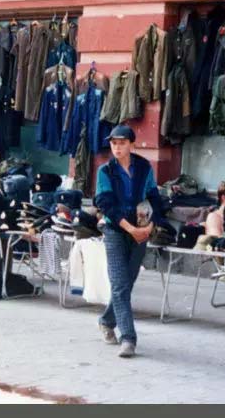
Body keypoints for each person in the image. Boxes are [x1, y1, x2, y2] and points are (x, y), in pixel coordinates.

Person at [94, 125, 164, 358]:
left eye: (122, 143)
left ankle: (106, 320)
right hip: (115, 230)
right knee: (120, 284)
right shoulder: (105, 171)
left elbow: (154, 196)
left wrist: (150, 226)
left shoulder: (144, 167)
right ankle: (128, 338)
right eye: (114, 143)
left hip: (141, 229)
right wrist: (129, 228)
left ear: (132, 145)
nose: (117, 147)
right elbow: (105, 204)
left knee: (128, 281)